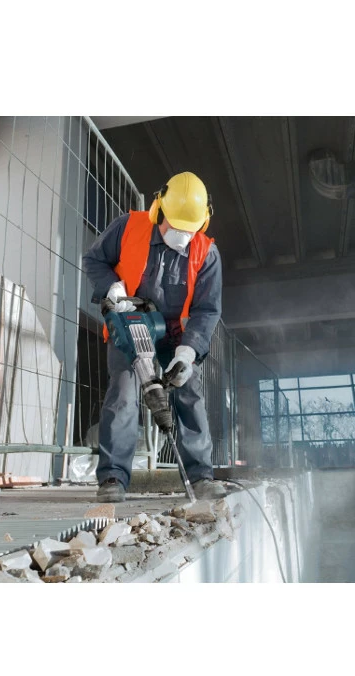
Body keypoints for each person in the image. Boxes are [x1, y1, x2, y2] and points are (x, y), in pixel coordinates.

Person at [82, 171, 226, 502]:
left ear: (203, 222)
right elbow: (94, 259)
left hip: (176, 332)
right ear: (158, 210)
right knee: (123, 392)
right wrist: (111, 287)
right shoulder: (128, 227)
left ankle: (200, 476)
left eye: (189, 229)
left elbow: (207, 310)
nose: (181, 235)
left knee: (189, 391)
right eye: (175, 225)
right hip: (130, 320)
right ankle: (113, 478)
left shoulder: (207, 254)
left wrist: (188, 353)